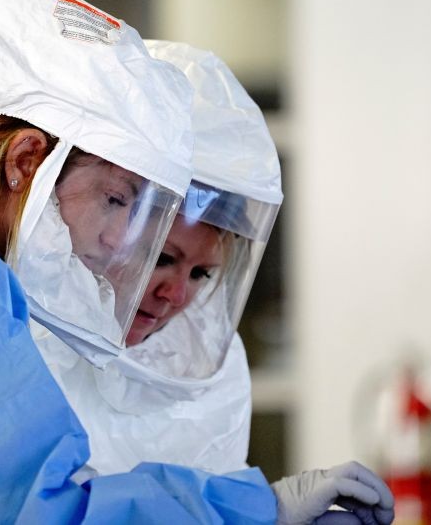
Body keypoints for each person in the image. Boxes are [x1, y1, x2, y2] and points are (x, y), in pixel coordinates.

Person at [0, 0, 393, 522]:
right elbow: (32, 514)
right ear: (27, 161)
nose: (120, 246)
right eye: (117, 201)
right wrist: (257, 511)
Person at [31, 40, 395, 525]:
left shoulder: (198, 374)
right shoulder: (12, 344)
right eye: (162, 258)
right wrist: (258, 510)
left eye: (201, 273)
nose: (177, 296)